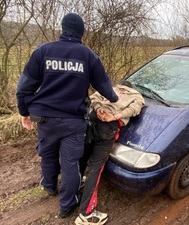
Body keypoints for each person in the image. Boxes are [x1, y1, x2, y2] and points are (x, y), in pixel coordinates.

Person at [16, 13, 118, 219]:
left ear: (62, 29)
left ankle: (49, 186)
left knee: (48, 153)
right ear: (81, 32)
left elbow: (24, 88)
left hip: (44, 118)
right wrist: (115, 97)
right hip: (73, 121)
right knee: (71, 162)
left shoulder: (43, 51)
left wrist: (24, 112)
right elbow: (106, 89)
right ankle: (66, 205)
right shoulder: (89, 56)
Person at [75, 80, 145, 225]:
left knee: (82, 156)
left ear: (121, 85)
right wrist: (114, 116)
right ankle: (86, 214)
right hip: (108, 126)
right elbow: (134, 110)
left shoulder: (110, 89)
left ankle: (74, 189)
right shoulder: (137, 96)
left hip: (92, 119)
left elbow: (93, 98)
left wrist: (99, 108)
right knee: (96, 168)